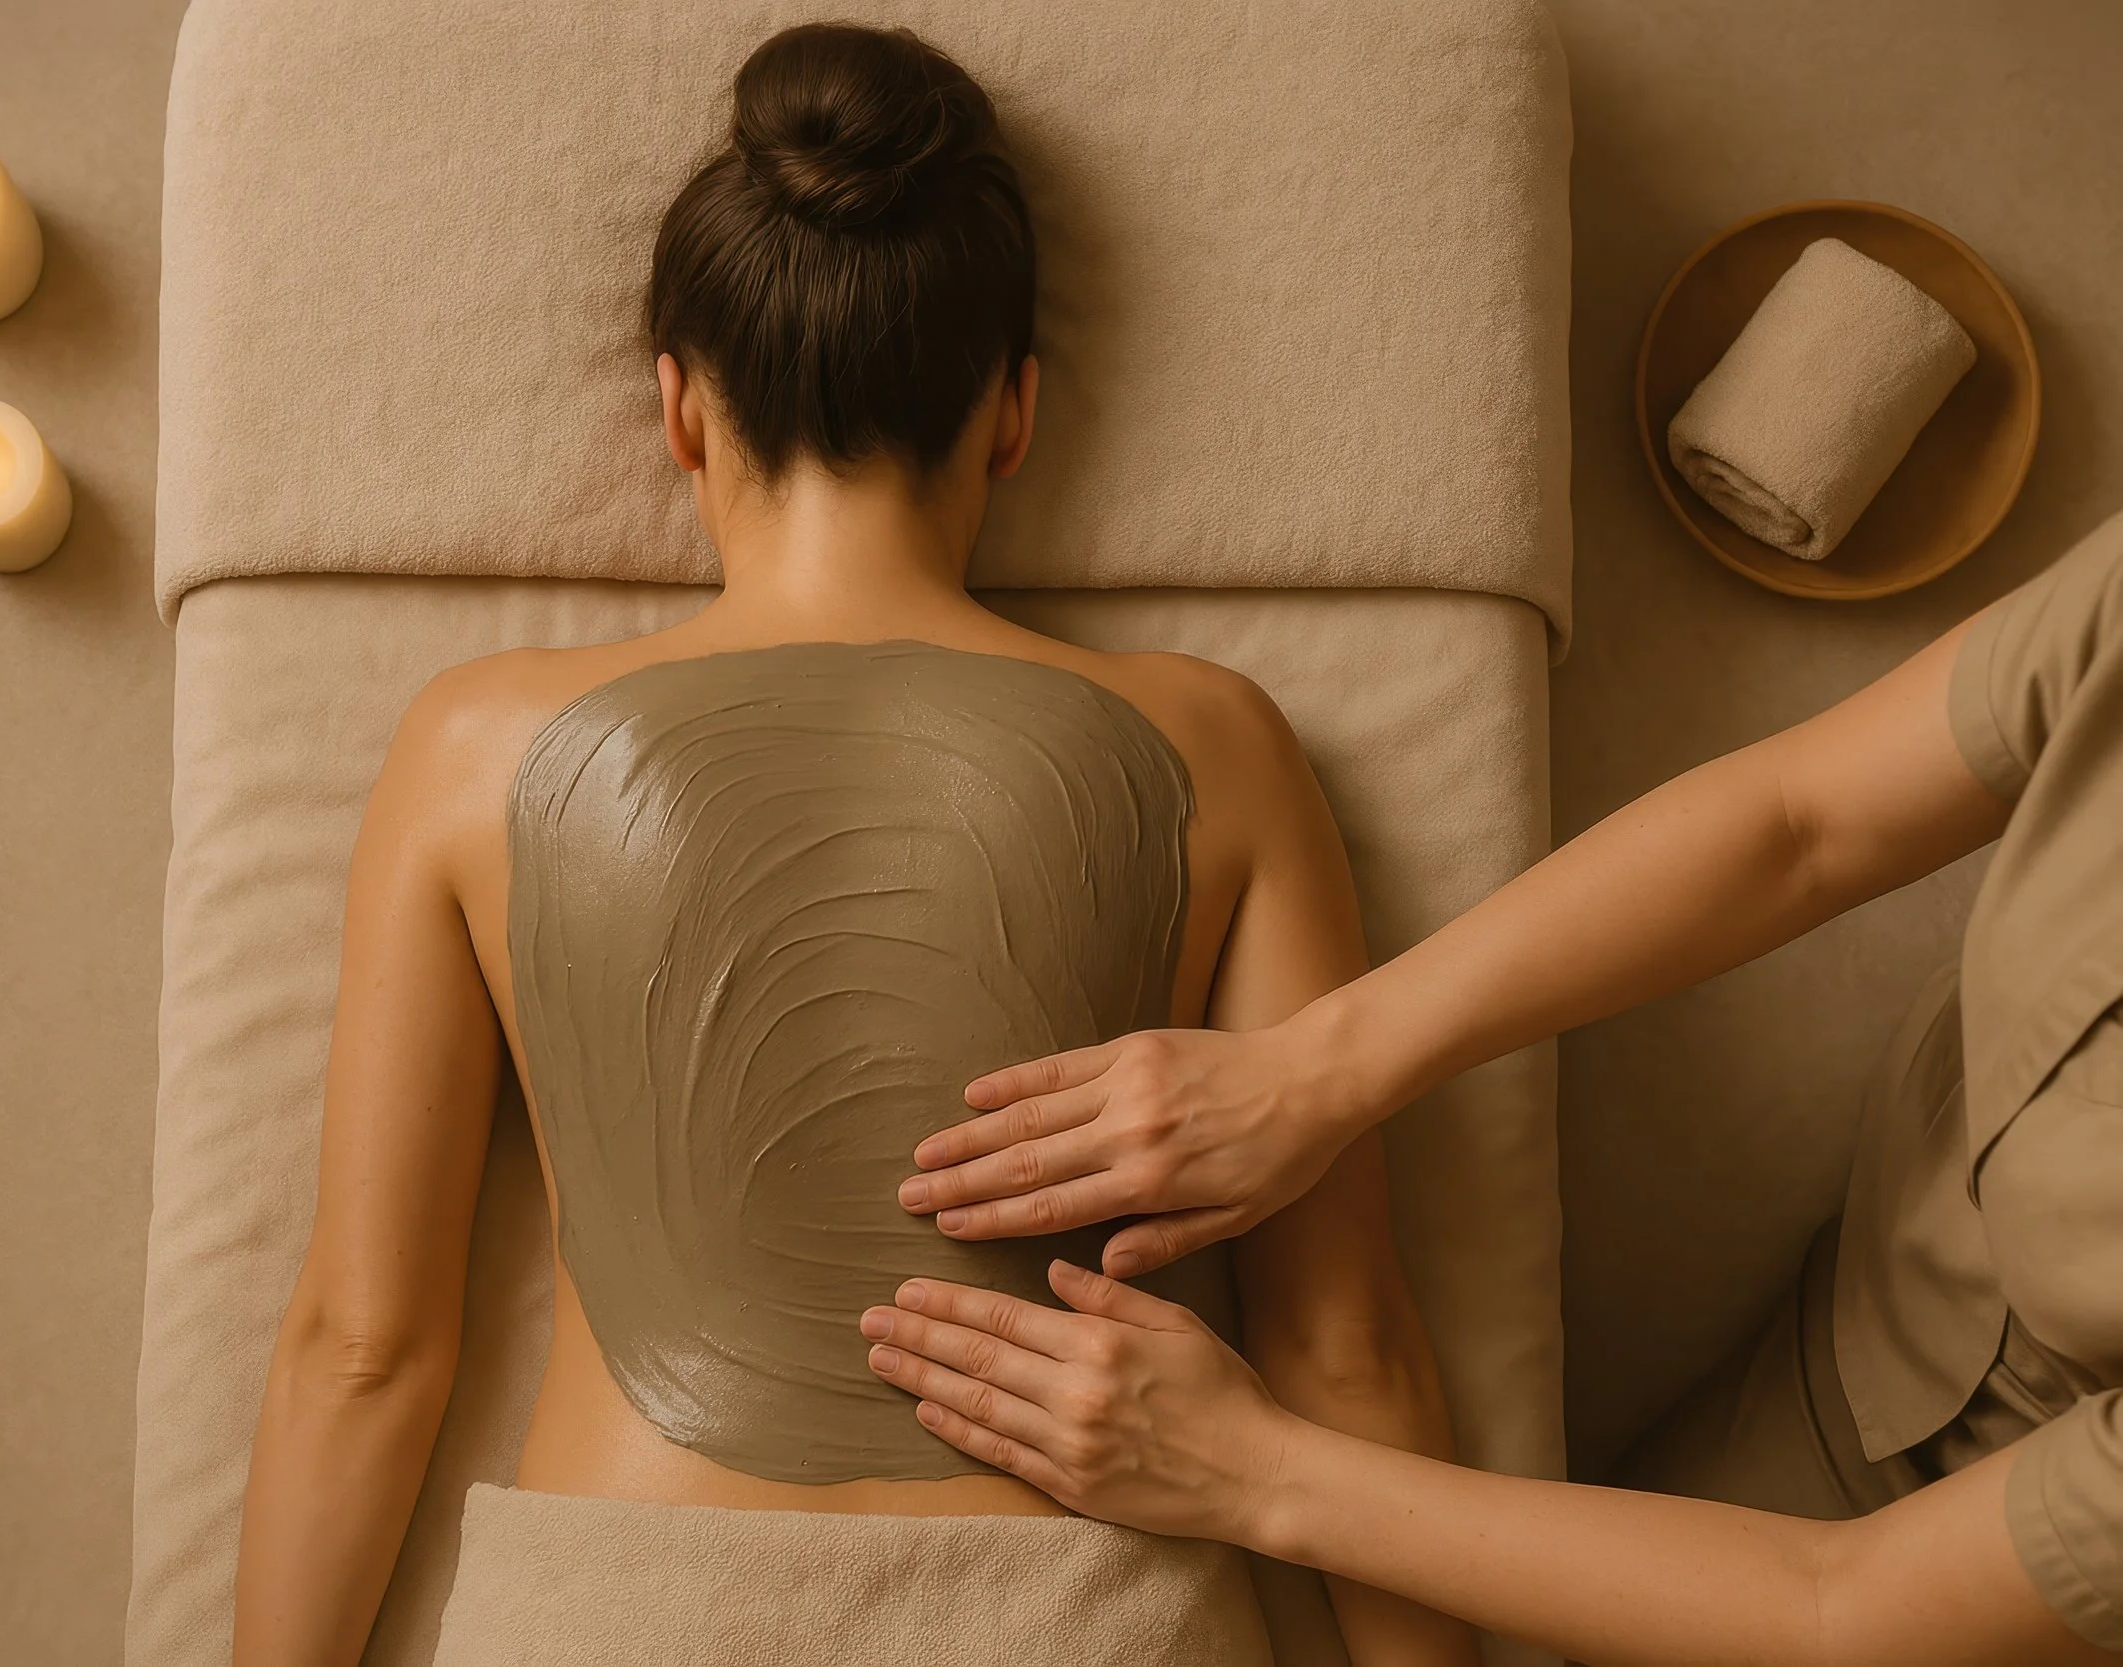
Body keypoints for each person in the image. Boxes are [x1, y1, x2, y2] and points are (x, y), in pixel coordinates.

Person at [231, 22, 1474, 1667]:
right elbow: (1341, 1341)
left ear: (677, 408)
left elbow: (365, 1350)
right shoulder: (1214, 744)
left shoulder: (477, 747)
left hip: (623, 1616)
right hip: (1086, 1616)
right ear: (1016, 412)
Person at [863, 512, 2123, 1664]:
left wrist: (1247, 1470)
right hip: (1886, 1317)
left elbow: (1833, 1605)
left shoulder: (1213, 736)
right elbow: (1801, 822)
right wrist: (1314, 1066)